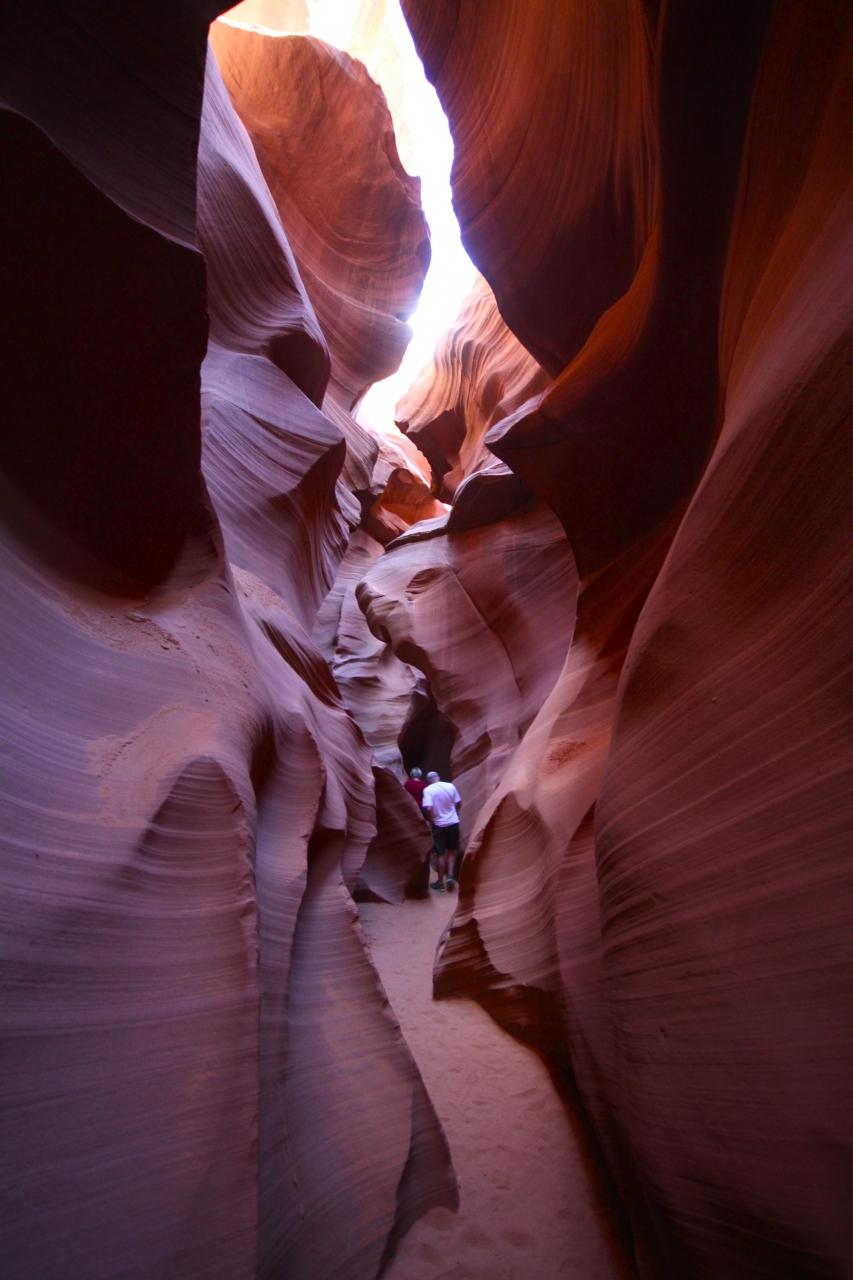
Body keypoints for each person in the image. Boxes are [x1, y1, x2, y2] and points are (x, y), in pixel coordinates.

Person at [422, 771, 462, 892]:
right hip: (453, 823)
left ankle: (440, 882)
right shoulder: (450, 786)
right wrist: (455, 813)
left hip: (439, 825)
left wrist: (431, 820)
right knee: (451, 851)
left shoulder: (428, 790)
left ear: (428, 780)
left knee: (440, 854)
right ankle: (450, 876)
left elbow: (429, 808)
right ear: (438, 777)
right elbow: (459, 802)